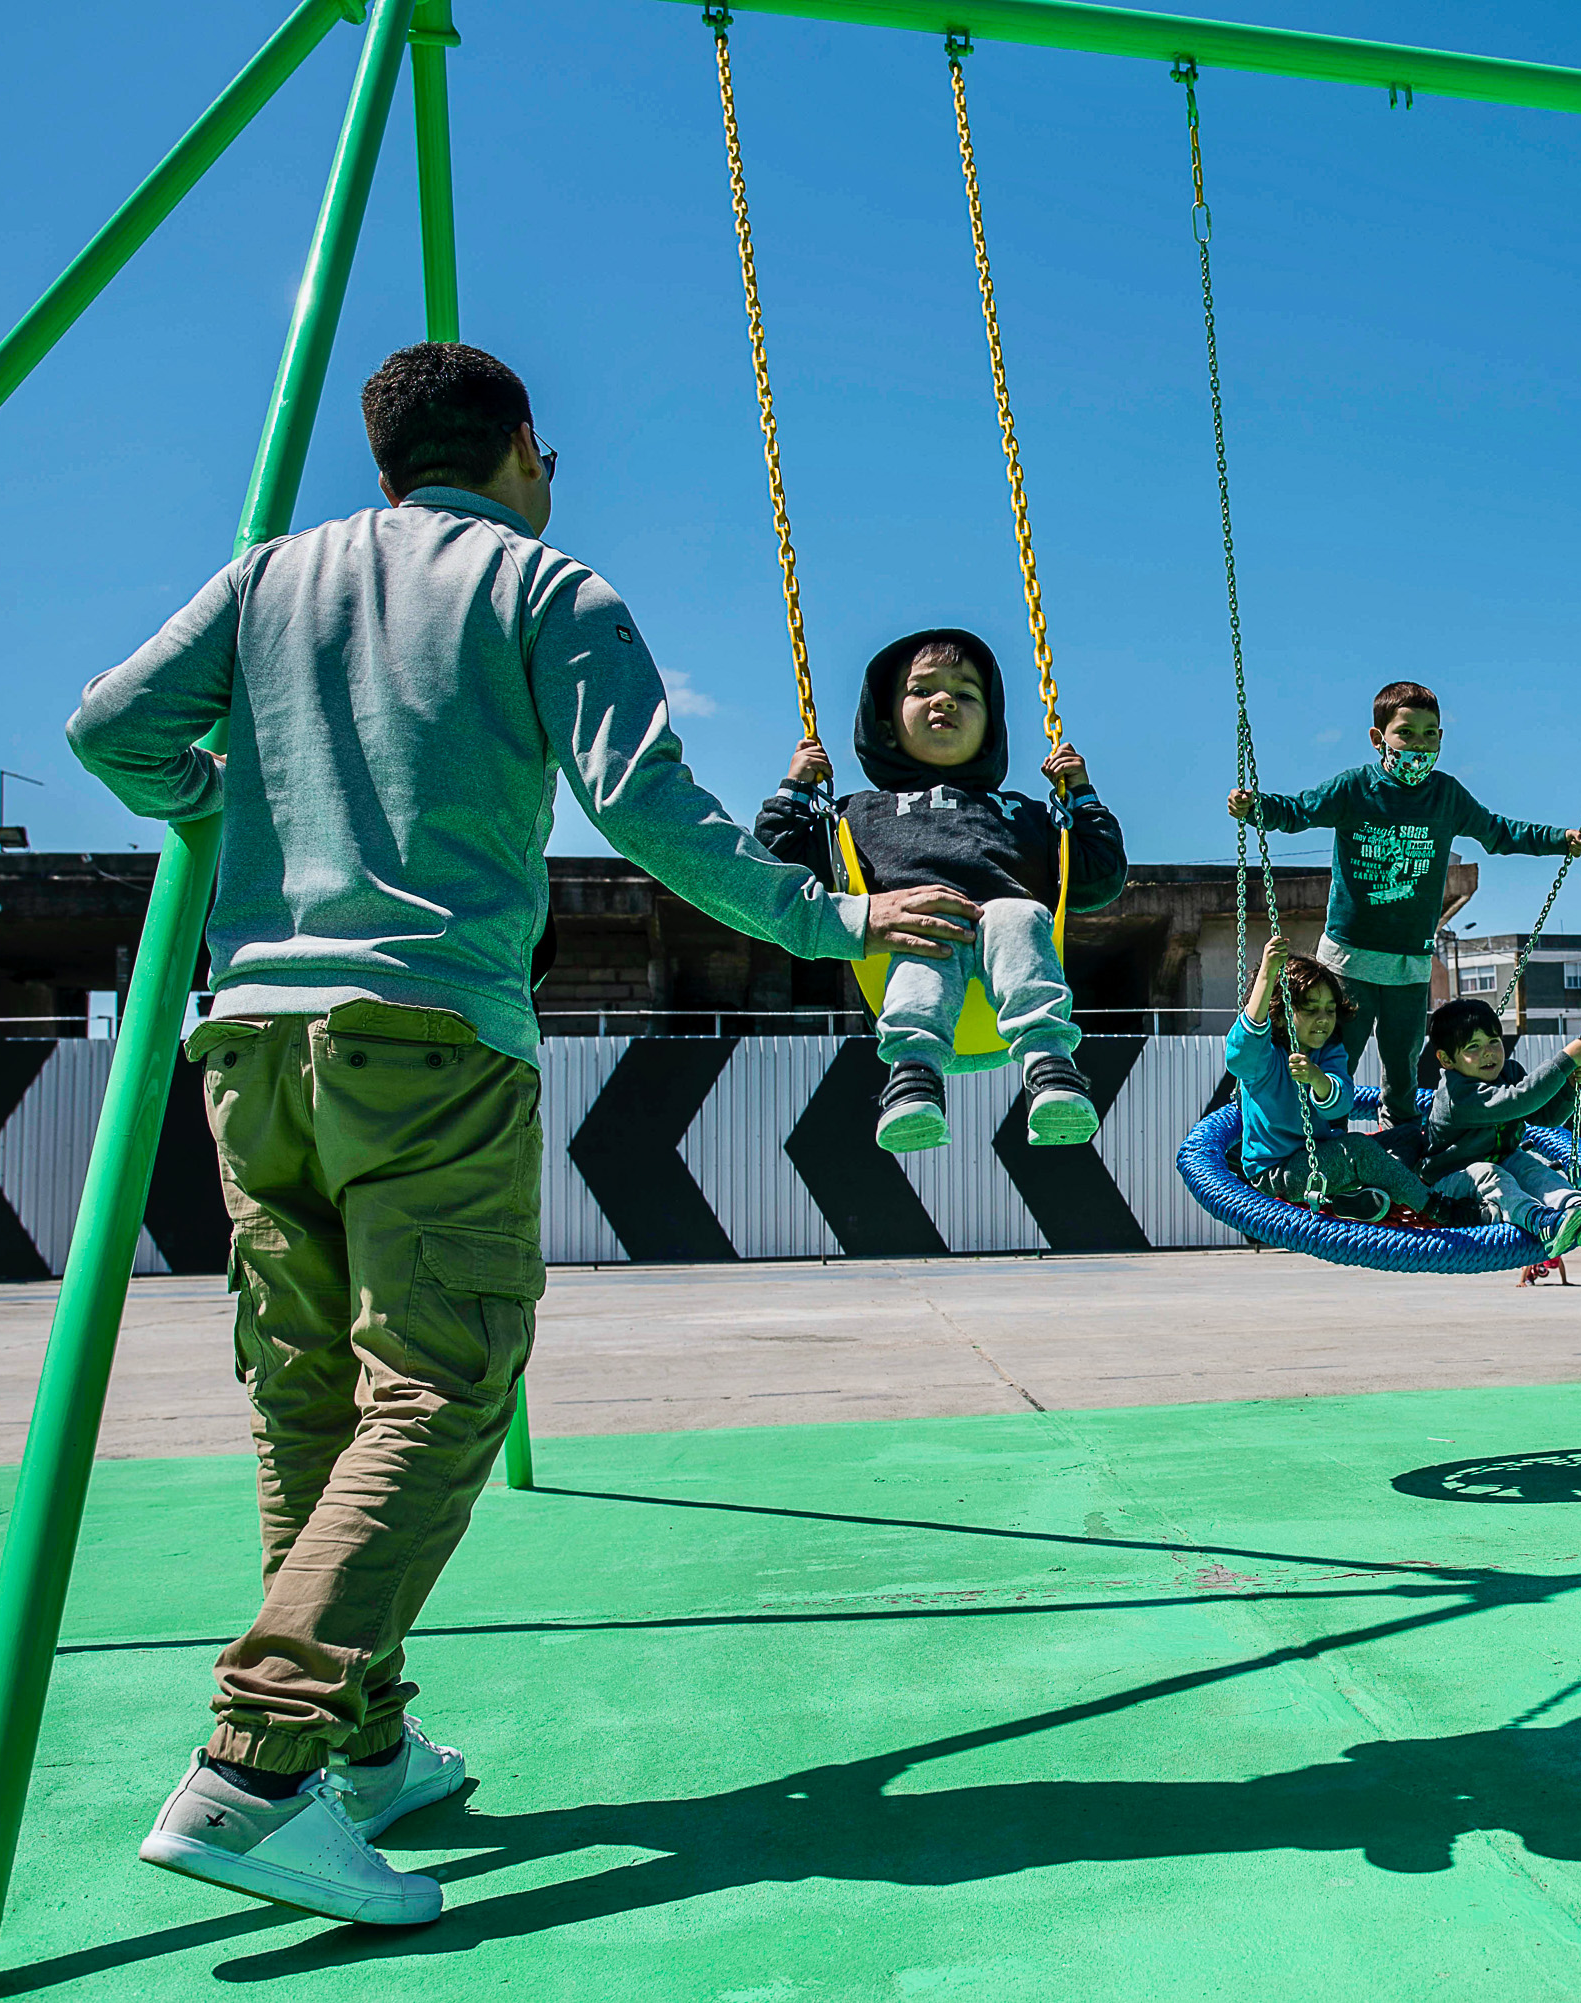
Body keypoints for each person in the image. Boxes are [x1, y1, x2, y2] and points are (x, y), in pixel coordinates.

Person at [68, 343, 976, 1926]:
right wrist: (841, 911)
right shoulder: (550, 587)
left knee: (309, 1399)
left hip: (252, 1040)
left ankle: (364, 1744)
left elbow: (106, 728)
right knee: (440, 1384)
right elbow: (650, 813)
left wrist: (215, 792)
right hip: (428, 1032)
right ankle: (254, 1765)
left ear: (385, 456)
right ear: (525, 452)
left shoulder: (270, 575)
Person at [758, 627, 1127, 1151]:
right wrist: (795, 791)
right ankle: (913, 1082)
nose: (944, 700)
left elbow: (1100, 875)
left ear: (991, 727)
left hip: (1011, 953)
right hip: (912, 946)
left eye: (965, 692)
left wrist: (1082, 794)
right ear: (885, 729)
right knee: (922, 929)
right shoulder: (859, 812)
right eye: (921, 689)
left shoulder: (1022, 811)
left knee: (1018, 916)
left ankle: (1050, 1069)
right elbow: (780, 871)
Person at [1227, 682, 1581, 1153]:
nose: (1419, 744)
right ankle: (1318, 1147)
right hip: (1348, 961)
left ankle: (1403, 1150)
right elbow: (1299, 810)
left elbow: (1497, 832)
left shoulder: (1446, 797)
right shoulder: (1355, 788)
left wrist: (1559, 839)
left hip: (1408, 966)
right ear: (1379, 739)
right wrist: (1256, 809)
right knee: (1336, 1058)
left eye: (1431, 734)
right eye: (1407, 733)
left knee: (1402, 1066)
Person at [1226, 934, 1447, 1223]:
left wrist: (1317, 1079)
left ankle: (1361, 1199)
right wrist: (1266, 975)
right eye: (1310, 1008)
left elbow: (1339, 1104)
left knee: (1408, 1135)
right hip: (1278, 1172)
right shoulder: (1264, 1059)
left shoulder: (1329, 1053)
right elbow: (1238, 1055)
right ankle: (1435, 1208)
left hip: (1320, 1158)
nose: (1323, 1018)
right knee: (1357, 1149)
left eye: (1330, 1010)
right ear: (1279, 1015)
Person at [1421, 997, 1581, 1254]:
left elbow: (1545, 1117)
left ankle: (1580, 1212)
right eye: (1473, 1046)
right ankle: (1540, 1221)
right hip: (1448, 1184)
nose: (1488, 1052)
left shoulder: (1508, 1073)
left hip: (1503, 1161)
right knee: (1488, 1172)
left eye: (1493, 1041)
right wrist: (1564, 1061)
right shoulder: (1456, 1096)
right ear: (1446, 1059)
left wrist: (1569, 1086)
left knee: (1533, 1167)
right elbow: (1517, 1101)